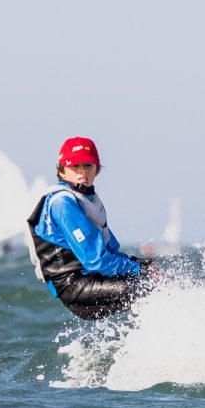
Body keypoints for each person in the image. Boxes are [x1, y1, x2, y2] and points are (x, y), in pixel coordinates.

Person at [27, 136, 161, 320]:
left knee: (156, 283)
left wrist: (141, 263)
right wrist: (139, 271)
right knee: (150, 286)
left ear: (96, 170)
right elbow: (96, 260)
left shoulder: (87, 200)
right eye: (75, 166)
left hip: (90, 279)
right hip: (74, 287)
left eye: (88, 166)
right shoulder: (62, 204)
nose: (83, 172)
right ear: (62, 171)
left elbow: (111, 251)